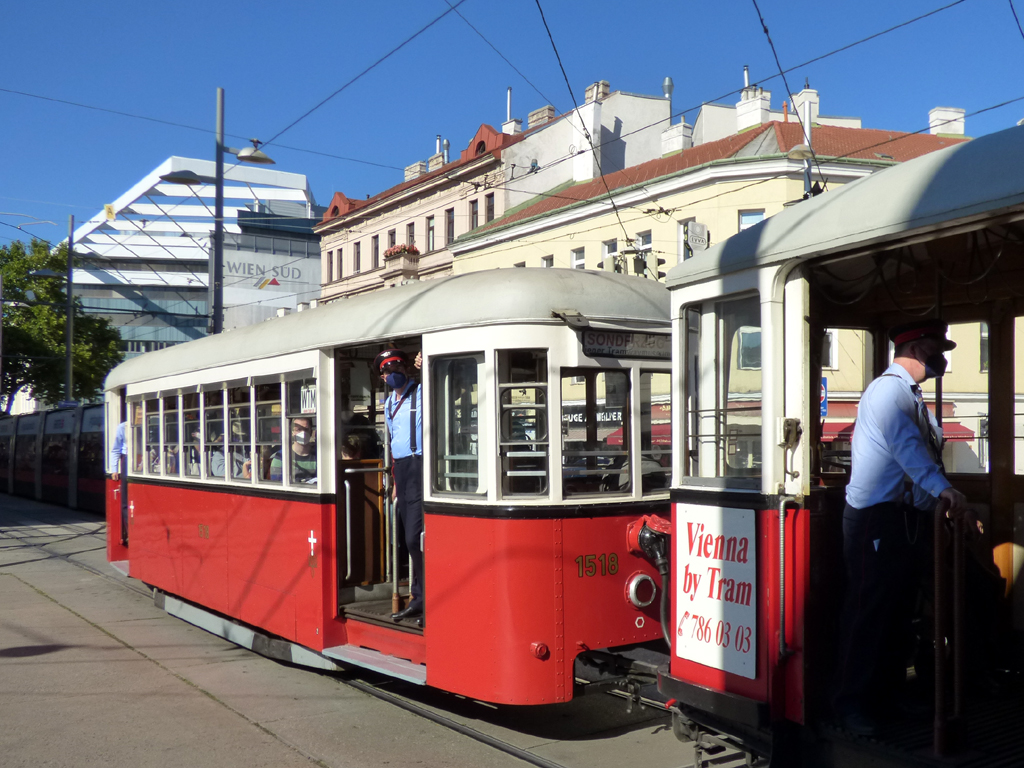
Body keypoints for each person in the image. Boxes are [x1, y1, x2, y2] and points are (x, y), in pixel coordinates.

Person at [833, 319, 977, 736]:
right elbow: (909, 453)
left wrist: (940, 500)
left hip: (902, 519)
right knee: (868, 613)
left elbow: (922, 458)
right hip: (875, 520)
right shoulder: (888, 393)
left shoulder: (911, 397)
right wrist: (947, 493)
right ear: (915, 348)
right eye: (937, 347)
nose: (943, 357)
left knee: (897, 614)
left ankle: (887, 698)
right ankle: (850, 705)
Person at [376, 348, 425, 628]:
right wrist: (394, 481)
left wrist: (425, 361)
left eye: (396, 368)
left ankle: (428, 601)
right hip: (402, 472)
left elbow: (440, 382)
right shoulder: (388, 404)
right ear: (382, 376)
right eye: (386, 371)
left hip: (419, 467)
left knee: (415, 539)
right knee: (408, 536)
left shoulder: (419, 392)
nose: (392, 374)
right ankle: (417, 599)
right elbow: (393, 443)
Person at [269, 417, 317, 482]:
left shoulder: (318, 456)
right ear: (292, 432)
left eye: (306, 429)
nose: (303, 433)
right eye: (298, 429)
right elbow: (277, 486)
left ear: (311, 432)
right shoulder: (280, 458)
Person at [109, 418, 129, 546]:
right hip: (128, 459)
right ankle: (129, 532)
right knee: (126, 501)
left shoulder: (153, 421)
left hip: (148, 459)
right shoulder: (123, 427)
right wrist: (114, 469)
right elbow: (116, 449)